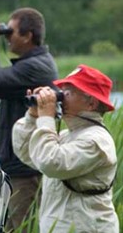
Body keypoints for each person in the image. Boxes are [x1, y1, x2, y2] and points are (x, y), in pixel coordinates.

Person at [0, 7, 58, 230]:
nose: (7, 37)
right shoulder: (32, 65)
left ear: (28, 35)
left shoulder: (36, 67)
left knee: (21, 227)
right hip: (18, 165)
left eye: (9, 32)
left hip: (26, 170)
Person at [12, 64, 119, 232]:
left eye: (68, 92)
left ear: (91, 103)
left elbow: (51, 163)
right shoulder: (68, 135)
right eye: (61, 90)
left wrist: (46, 118)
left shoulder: (97, 141)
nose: (61, 96)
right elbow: (28, 153)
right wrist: (33, 116)